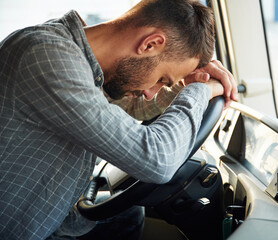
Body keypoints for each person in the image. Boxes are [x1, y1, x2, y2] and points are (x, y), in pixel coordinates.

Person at [0, 0, 238, 239]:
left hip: (50, 218)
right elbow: (156, 160)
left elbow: (131, 104)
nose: (151, 92)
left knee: (128, 214)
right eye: (163, 79)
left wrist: (187, 83)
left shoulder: (77, 55)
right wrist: (199, 91)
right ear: (150, 44)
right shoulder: (48, 57)